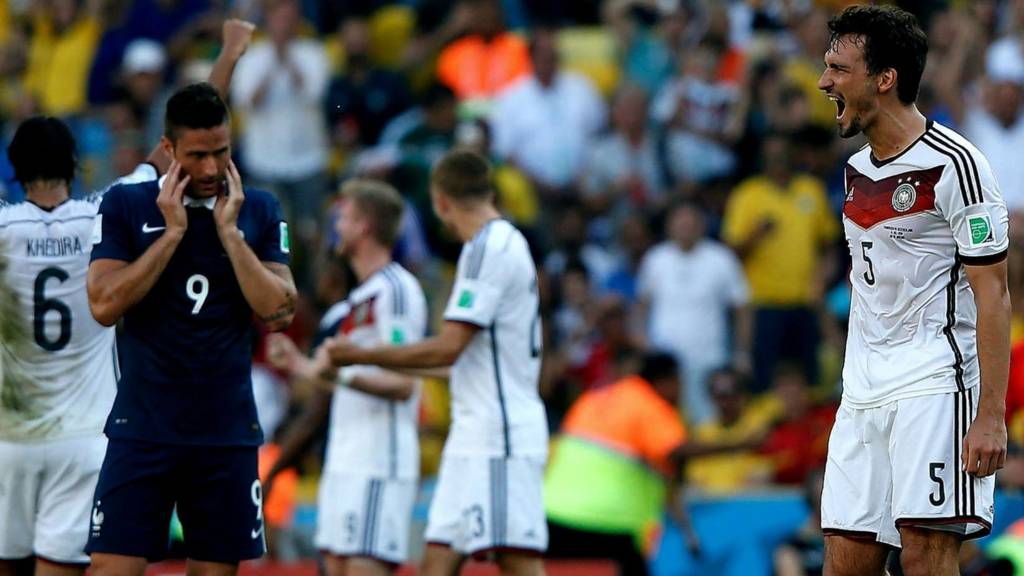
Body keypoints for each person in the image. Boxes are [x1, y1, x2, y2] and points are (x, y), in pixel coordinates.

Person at [0, 20, 255, 576]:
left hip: (11, 435)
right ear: (74, 166)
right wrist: (230, 54)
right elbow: (184, 147)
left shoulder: (2, 231)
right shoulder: (108, 210)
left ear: (15, 174)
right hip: (87, 437)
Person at [817, 6, 1010, 576]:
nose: (824, 81)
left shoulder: (958, 167)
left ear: (885, 78)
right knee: (845, 562)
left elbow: (994, 294)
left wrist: (991, 415)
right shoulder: (854, 171)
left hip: (935, 384)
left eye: (838, 68)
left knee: (926, 556)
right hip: (862, 392)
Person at [84, 81, 296, 575]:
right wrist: (173, 233)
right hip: (143, 427)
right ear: (168, 149)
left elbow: (280, 310)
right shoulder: (126, 206)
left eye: (221, 153)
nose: (210, 169)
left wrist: (229, 234)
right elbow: (103, 303)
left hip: (225, 431)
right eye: (197, 155)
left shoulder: (259, 208)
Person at [314, 150, 549, 576]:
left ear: (441, 202)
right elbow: (460, 361)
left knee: (518, 562)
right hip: (471, 433)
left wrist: (361, 355)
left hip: (500, 434)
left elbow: (449, 348)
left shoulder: (488, 248)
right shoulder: (496, 246)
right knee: (437, 560)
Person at [263, 178, 428, 576]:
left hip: (378, 462)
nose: (336, 224)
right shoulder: (355, 303)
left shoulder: (397, 289)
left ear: (366, 225)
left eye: (345, 216)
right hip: (342, 463)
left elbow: (404, 384)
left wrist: (343, 372)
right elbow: (336, 378)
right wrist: (299, 364)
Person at [545, 352, 754, 575]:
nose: (680, 393)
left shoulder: (593, 399)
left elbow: (663, 480)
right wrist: (741, 444)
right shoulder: (648, 404)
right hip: (605, 522)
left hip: (553, 515)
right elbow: (678, 451)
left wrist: (688, 532)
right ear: (666, 382)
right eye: (679, 384)